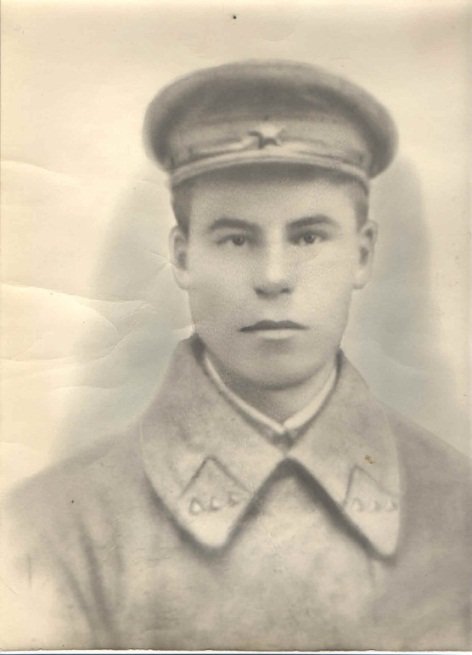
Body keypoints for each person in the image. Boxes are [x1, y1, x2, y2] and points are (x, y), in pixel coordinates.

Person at [3, 60, 471, 650]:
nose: (273, 277)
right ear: (182, 257)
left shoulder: (458, 506)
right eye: (236, 239)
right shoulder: (50, 531)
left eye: (308, 237)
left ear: (362, 254)